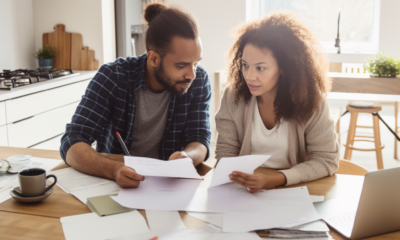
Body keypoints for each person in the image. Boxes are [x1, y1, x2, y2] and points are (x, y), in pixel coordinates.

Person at [60, 3, 211, 188]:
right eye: (181, 66)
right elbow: (72, 141)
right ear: (154, 58)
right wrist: (112, 170)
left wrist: (188, 157)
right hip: (116, 184)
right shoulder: (113, 77)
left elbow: (200, 138)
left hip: (169, 187)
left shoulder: (199, 79)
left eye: (195, 63)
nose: (192, 75)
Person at [215, 12, 340, 193]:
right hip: (245, 190)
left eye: (261, 68)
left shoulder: (312, 101)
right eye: (245, 65)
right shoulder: (233, 96)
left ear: (283, 68)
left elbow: (326, 159)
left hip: (296, 188)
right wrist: (239, 178)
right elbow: (225, 154)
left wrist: (277, 179)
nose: (250, 76)